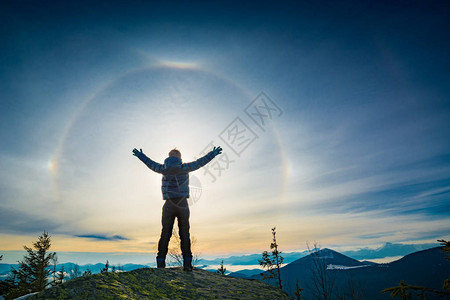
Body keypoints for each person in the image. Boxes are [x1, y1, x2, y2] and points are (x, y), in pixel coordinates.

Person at [132, 146, 223, 271]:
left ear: (168, 157)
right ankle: (187, 264)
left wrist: (140, 156)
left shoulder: (163, 168)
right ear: (180, 158)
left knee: (165, 234)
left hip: (169, 204)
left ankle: (160, 263)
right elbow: (200, 162)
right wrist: (212, 154)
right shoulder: (184, 167)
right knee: (184, 234)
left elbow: (151, 164)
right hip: (182, 205)